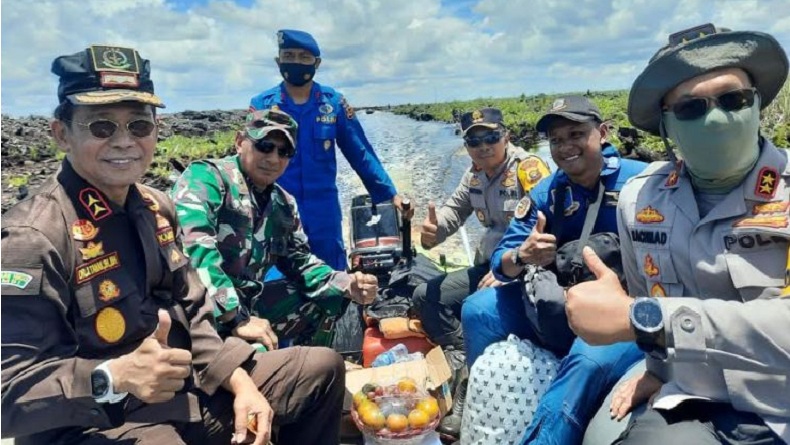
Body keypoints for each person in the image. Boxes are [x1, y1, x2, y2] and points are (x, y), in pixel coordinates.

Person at [1, 44, 345, 445]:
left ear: (155, 132)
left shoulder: (156, 207)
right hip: (100, 423)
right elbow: (10, 391)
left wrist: (240, 383)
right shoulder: (34, 237)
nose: (124, 141)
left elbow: (194, 310)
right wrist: (111, 378)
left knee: (320, 369)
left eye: (138, 126)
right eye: (101, 126)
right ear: (61, 133)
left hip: (187, 392)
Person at [565, 24, 790, 444]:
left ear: (757, 104)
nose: (718, 118)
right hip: (691, 400)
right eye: (691, 108)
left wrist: (648, 322)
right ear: (667, 125)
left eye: (732, 99)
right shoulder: (639, 201)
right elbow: (640, 290)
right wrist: (655, 370)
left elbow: (644, 313)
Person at [460, 96, 647, 445]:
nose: (565, 147)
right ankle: (480, 404)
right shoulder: (547, 192)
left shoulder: (643, 184)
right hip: (560, 299)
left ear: (603, 133)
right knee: (476, 310)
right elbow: (503, 258)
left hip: (626, 308)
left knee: (584, 362)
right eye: (557, 140)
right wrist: (523, 253)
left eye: (576, 134)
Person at [170, 108, 378, 349]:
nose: (273, 159)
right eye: (265, 146)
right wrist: (235, 316)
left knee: (331, 298)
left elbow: (299, 262)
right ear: (240, 142)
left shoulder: (283, 203)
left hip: (246, 306)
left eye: (284, 151)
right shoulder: (206, 179)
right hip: (197, 311)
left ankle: (309, 370)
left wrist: (346, 283)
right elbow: (194, 252)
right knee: (255, 349)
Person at [411, 107, 551, 440]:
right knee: (423, 297)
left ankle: (469, 381)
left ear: (506, 136)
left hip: (525, 269)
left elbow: (550, 226)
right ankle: (465, 353)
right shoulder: (473, 175)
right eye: (474, 140)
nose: (483, 145)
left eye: (491, 137)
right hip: (488, 266)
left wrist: (512, 269)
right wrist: (432, 232)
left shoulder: (528, 170)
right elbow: (450, 215)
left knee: (478, 305)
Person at [249, 29, 409, 271]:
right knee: (275, 275)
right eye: (289, 55)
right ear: (278, 60)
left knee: (332, 275)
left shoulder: (333, 103)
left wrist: (389, 194)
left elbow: (360, 153)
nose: (295, 62)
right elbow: (247, 159)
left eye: (304, 57)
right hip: (274, 207)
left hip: (323, 208)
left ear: (317, 63)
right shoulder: (262, 104)